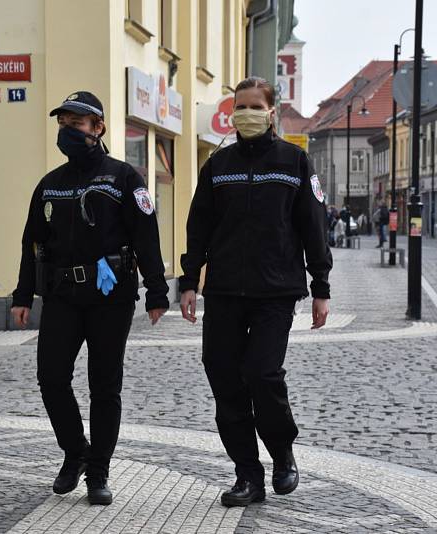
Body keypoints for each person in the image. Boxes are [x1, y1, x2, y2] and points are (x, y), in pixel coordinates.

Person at [178, 76, 332, 507]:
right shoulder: (218, 165)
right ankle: (248, 474)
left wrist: (321, 286)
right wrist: (189, 281)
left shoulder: (294, 161)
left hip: (276, 291)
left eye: (253, 106)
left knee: (263, 374)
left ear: (270, 112)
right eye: (238, 107)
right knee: (224, 380)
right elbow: (199, 227)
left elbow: (312, 226)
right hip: (224, 291)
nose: (244, 114)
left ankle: (282, 452)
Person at [11, 91, 169, 505]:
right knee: (51, 378)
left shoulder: (123, 178)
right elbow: (32, 242)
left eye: (77, 123)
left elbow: (146, 236)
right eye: (63, 123)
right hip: (62, 296)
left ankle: (98, 472)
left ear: (98, 128)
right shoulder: (50, 184)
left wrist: (156, 289)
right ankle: (75, 452)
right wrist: (23, 293)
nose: (68, 130)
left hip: (110, 297)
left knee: (104, 387)